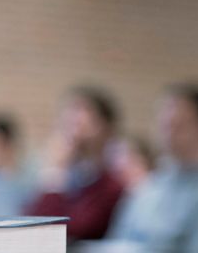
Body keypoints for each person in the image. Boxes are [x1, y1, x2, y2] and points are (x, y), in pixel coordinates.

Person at [108, 83, 198, 253]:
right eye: (164, 123)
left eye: (179, 124)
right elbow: (116, 249)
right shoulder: (147, 187)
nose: (168, 132)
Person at [25, 86, 124, 240]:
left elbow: (71, 231)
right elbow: (30, 222)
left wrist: (55, 173)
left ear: (104, 126)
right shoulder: (68, 175)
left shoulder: (112, 184)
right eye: (69, 112)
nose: (72, 119)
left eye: (82, 110)